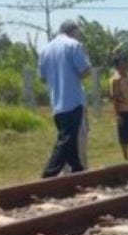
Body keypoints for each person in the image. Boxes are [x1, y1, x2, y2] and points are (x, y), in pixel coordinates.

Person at [39, 20, 91, 177]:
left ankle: (78, 171)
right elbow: (84, 71)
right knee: (66, 140)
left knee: (70, 140)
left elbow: (42, 78)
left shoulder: (45, 49)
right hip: (73, 100)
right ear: (72, 30)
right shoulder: (73, 45)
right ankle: (49, 174)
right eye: (78, 31)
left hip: (56, 103)